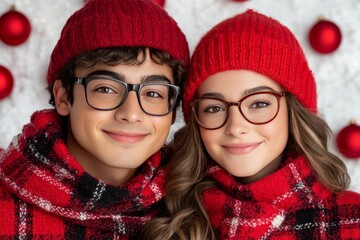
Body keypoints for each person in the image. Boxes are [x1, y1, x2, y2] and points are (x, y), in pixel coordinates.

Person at [142, 9, 360, 239]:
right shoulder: (166, 216)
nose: (236, 127)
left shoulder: (351, 220)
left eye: (258, 104)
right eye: (214, 108)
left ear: (292, 111)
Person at [0, 0, 189, 238]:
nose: (131, 114)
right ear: (63, 97)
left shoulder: (195, 207)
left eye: (153, 93)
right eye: (106, 89)